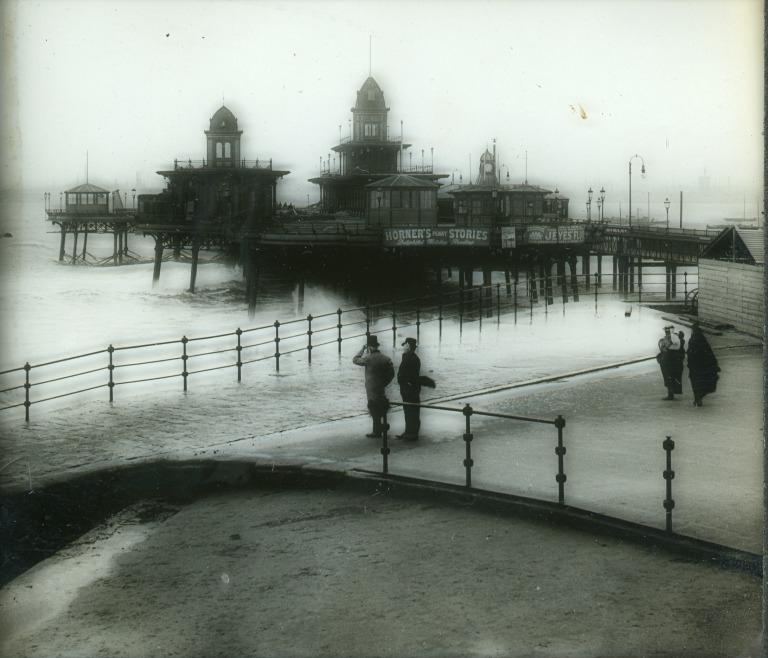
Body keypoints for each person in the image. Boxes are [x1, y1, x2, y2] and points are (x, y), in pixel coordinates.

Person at [352, 334, 394, 438]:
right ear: (377, 346)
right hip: (381, 387)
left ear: (369, 347)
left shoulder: (368, 359)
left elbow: (355, 359)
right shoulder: (386, 358)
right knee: (381, 405)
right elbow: (392, 374)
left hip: (371, 389)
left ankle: (377, 431)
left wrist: (362, 349)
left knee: (373, 408)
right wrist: (385, 383)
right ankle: (381, 427)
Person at [686, 323, 720, 406]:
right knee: (701, 383)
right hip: (702, 367)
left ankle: (697, 398)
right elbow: (709, 353)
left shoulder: (692, 340)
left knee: (695, 382)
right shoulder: (703, 339)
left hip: (694, 367)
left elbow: (690, 353)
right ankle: (699, 398)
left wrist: (689, 363)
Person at [397, 338, 421, 441]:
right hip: (409, 388)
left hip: (409, 389)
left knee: (411, 410)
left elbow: (409, 375)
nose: (403, 347)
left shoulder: (410, 358)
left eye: (404, 345)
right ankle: (409, 431)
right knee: (409, 410)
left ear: (408, 345)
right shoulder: (410, 357)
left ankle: (412, 433)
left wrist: (406, 383)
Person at [656, 325, 683, 400]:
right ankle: (671, 394)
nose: (666, 331)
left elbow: (670, 347)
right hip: (670, 360)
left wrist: (665, 347)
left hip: (669, 360)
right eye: (666, 330)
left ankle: (670, 395)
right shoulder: (672, 337)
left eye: (667, 330)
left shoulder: (672, 337)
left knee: (669, 377)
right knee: (669, 377)